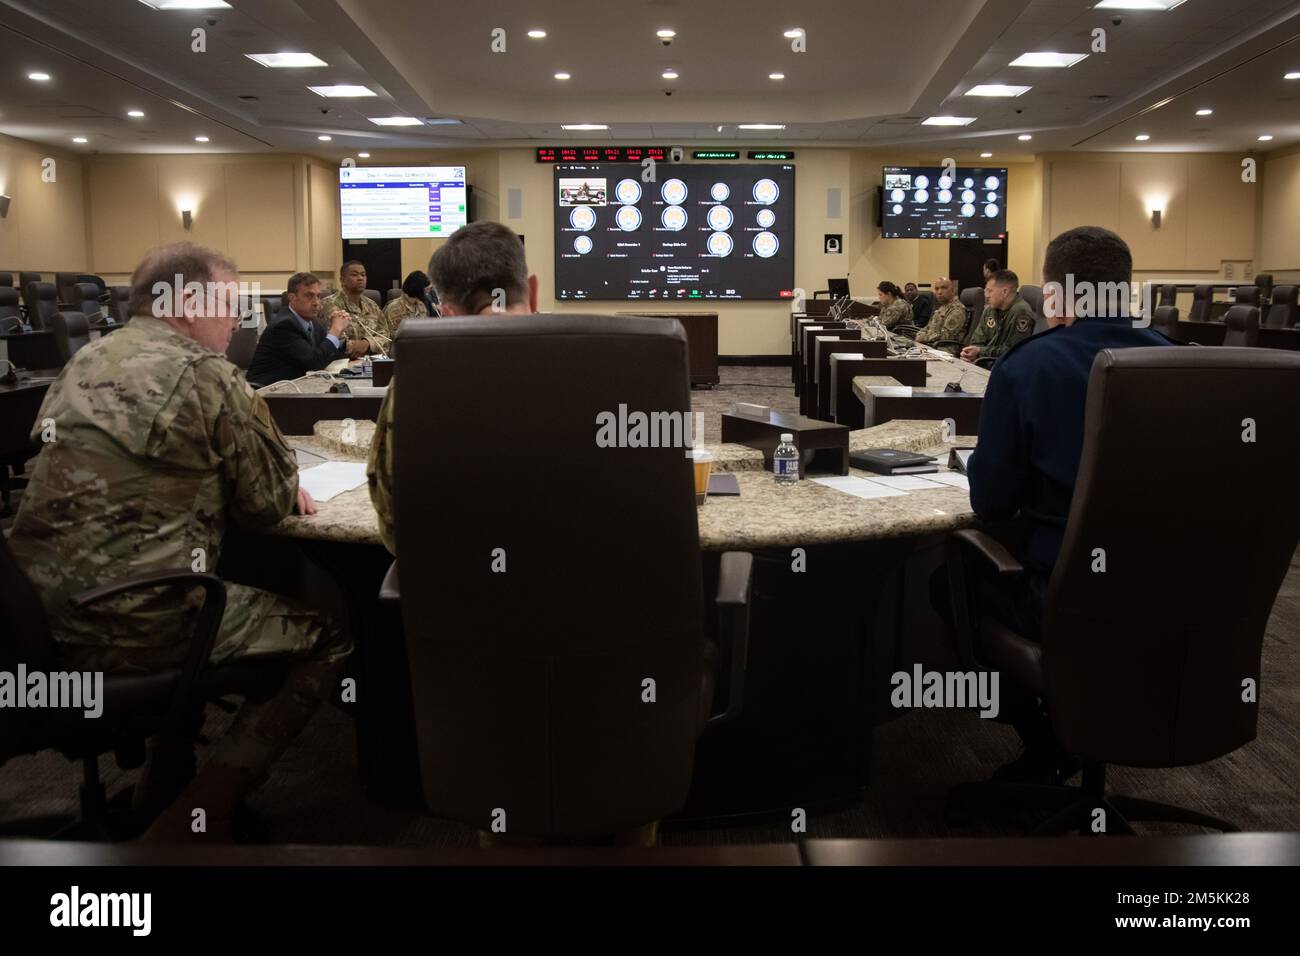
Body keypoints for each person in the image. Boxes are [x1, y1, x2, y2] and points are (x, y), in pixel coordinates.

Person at [7, 242, 351, 840]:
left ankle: (163, 788)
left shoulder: (84, 361)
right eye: (229, 303)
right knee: (328, 635)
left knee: (201, 588)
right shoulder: (206, 375)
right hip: (135, 621)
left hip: (33, 618)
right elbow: (268, 503)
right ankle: (192, 823)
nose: (238, 319)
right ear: (187, 302)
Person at [965, 226, 1175, 782]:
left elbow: (990, 502)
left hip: (1062, 594)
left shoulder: (1028, 366)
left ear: (1053, 293)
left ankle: (1047, 744)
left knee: (953, 581)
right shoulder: (1180, 363)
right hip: (1178, 590)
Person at [368, 222, 539, 555]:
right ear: (533, 292)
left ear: (445, 312)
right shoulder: (614, 369)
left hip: (450, 597)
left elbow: (394, 529)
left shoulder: (414, 383)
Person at [246, 271, 351, 386]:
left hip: (296, 387)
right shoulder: (284, 326)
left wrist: (339, 337)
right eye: (309, 296)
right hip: (268, 392)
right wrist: (335, 330)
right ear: (292, 297)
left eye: (318, 296)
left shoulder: (312, 322)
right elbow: (314, 363)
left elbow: (326, 354)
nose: (316, 302)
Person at [961, 269, 1034, 368]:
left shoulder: (1021, 312)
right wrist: (970, 354)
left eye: (990, 291)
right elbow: (977, 341)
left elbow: (1013, 351)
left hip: (1004, 370)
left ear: (1004, 292)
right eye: (986, 290)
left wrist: (980, 352)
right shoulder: (990, 310)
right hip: (984, 365)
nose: (986, 295)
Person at [321, 260, 391, 356]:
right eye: (355, 275)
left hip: (372, 361)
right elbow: (332, 340)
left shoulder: (372, 305)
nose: (360, 278)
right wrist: (352, 346)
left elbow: (386, 336)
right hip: (342, 363)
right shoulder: (329, 304)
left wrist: (367, 343)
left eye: (363, 275)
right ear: (342, 280)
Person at [914, 276, 967, 356]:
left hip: (944, 351)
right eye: (937, 289)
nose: (939, 292)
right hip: (931, 347)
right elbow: (927, 328)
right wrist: (920, 335)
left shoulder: (957, 309)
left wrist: (922, 338)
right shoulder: (941, 308)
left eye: (944, 288)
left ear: (953, 290)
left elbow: (946, 336)